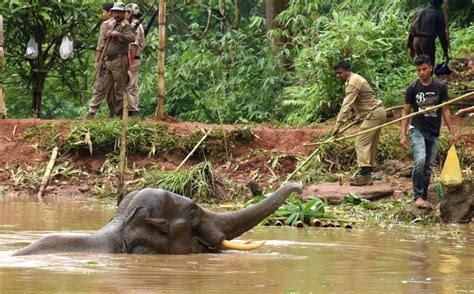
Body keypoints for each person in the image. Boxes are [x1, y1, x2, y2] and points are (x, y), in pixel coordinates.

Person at [400, 55, 457, 209]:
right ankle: (417, 196)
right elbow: (406, 112)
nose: (422, 72)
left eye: (424, 69)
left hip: (434, 132)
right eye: (418, 70)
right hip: (417, 129)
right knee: (420, 160)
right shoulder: (412, 88)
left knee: (428, 166)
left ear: (431, 68)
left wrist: (452, 132)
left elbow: (445, 110)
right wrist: (403, 134)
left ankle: (423, 195)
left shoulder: (440, 87)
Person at [331, 60, 386, 186]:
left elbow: (346, 105)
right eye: (336, 73)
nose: (337, 76)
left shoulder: (353, 82)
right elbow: (363, 99)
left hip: (374, 114)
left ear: (347, 71)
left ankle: (365, 176)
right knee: (370, 143)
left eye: (340, 73)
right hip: (377, 112)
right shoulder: (353, 79)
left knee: (361, 143)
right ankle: (368, 172)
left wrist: (338, 125)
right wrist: (359, 115)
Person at [103, 2, 135, 118]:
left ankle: (119, 115)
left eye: (119, 12)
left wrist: (118, 35)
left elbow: (132, 38)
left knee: (119, 89)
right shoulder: (113, 24)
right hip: (110, 61)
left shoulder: (125, 25)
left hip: (119, 59)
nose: (117, 14)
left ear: (124, 13)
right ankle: (113, 114)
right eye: (115, 12)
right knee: (109, 88)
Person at [85, 3, 115, 119]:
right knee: (116, 88)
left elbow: (100, 46)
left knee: (100, 86)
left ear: (109, 12)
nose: (103, 14)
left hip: (106, 61)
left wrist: (97, 61)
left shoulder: (106, 25)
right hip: (120, 62)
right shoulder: (124, 23)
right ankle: (114, 114)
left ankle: (91, 112)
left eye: (104, 12)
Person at [407, 0, 449, 67]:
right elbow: (442, 34)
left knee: (421, 63)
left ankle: (422, 76)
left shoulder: (419, 12)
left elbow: (412, 29)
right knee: (429, 64)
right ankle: (428, 76)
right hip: (427, 41)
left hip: (416, 41)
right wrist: (445, 50)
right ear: (440, 4)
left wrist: (410, 46)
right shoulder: (438, 13)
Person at [125, 3, 145, 117]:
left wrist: (129, 63)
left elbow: (133, 46)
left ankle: (132, 110)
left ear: (131, 13)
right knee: (133, 86)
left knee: (129, 85)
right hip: (135, 59)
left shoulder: (135, 26)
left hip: (133, 58)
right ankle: (133, 109)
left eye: (127, 12)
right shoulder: (136, 25)